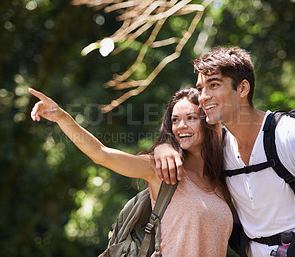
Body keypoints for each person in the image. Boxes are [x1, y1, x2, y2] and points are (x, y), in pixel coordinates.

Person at [152, 47, 295, 256]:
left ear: (243, 89)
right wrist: (163, 148)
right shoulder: (220, 147)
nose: (203, 97)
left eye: (214, 85)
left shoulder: (291, 135)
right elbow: (184, 148)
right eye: (200, 89)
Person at [28, 87, 233, 256]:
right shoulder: (160, 170)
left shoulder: (224, 180)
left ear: (208, 122)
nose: (181, 126)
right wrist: (63, 118)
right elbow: (101, 154)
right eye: (175, 120)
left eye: (191, 118)